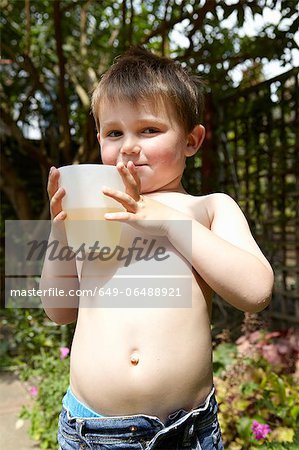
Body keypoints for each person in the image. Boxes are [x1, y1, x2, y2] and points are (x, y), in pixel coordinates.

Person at [40, 47, 274, 450]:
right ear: (99, 140)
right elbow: (58, 309)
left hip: (184, 432)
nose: (129, 146)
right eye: (114, 133)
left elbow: (255, 292)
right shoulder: (95, 215)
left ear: (191, 140)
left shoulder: (207, 208)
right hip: (88, 430)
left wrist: (167, 221)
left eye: (149, 130)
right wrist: (59, 232)